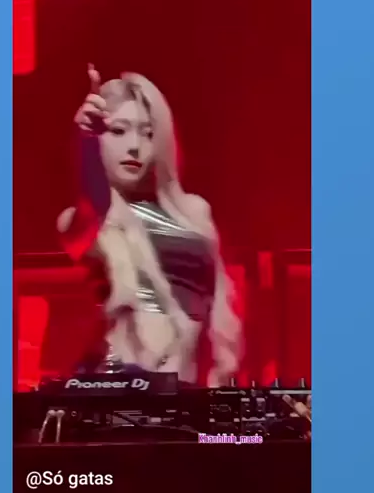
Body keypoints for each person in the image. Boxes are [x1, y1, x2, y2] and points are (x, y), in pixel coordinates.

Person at [57, 65, 242, 387]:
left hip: (186, 394)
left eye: (147, 132)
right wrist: (86, 141)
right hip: (115, 390)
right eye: (118, 131)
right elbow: (93, 203)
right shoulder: (90, 219)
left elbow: (221, 310)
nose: (135, 146)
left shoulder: (195, 212)